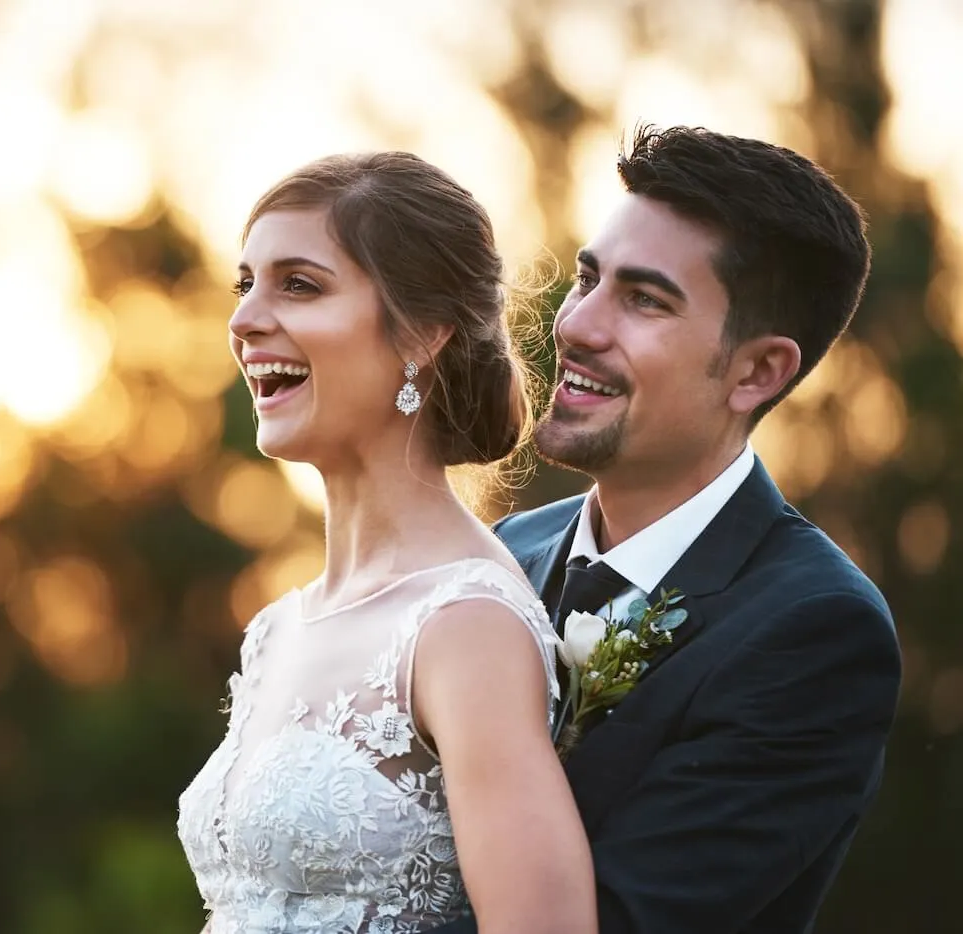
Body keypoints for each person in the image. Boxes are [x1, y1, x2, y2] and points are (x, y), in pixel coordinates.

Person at [434, 125, 902, 934]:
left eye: (644, 299)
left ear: (757, 372)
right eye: (588, 279)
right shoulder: (505, 552)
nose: (576, 325)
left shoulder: (815, 633)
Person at [177, 152, 597, 932]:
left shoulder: (465, 622)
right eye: (246, 285)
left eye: (298, 284)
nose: (244, 320)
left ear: (421, 334)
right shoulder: (278, 628)